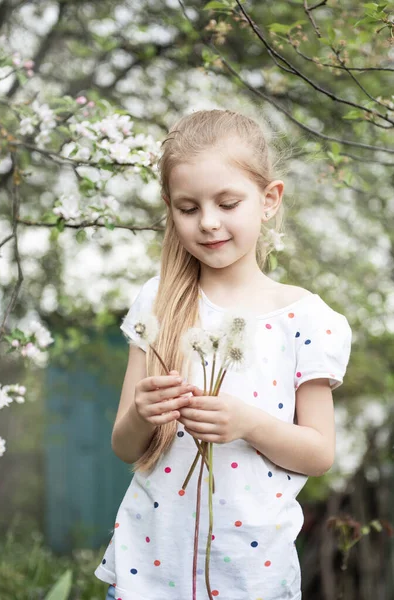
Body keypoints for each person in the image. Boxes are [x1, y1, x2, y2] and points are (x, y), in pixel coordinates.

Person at [94, 109, 352, 600]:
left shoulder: (307, 320)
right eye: (188, 208)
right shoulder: (159, 301)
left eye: (227, 202)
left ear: (269, 200)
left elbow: (319, 453)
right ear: (170, 208)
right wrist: (144, 413)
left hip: (251, 579)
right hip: (145, 572)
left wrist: (248, 424)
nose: (208, 222)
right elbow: (125, 447)